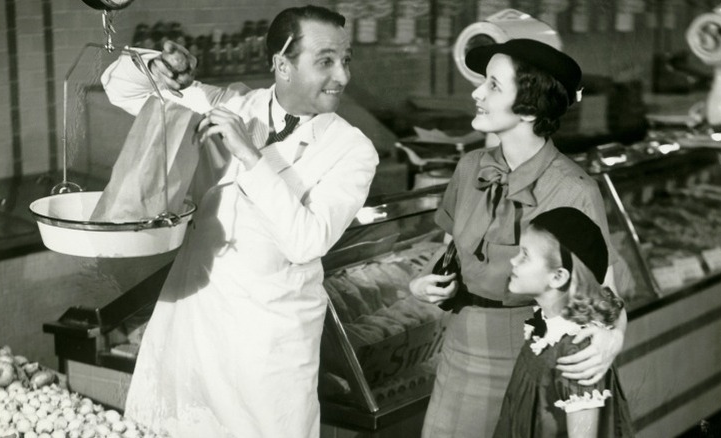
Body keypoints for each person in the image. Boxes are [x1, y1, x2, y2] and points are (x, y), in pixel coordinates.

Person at [101, 5, 378, 437]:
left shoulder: (352, 149)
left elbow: (308, 240)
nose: (342, 76)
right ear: (281, 65)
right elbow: (123, 90)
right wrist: (157, 66)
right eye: (326, 61)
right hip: (196, 317)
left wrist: (250, 155)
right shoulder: (229, 103)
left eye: (346, 60)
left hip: (268, 340)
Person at [409, 38, 629, 437]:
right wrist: (427, 282)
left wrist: (611, 338)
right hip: (459, 348)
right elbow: (450, 254)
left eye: (493, 84)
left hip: (530, 354)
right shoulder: (469, 167)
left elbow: (604, 292)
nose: (476, 92)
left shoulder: (573, 189)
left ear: (528, 106)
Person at [493, 207, 634, 437]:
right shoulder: (546, 329)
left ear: (558, 277)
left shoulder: (576, 351)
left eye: (525, 255)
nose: (513, 260)